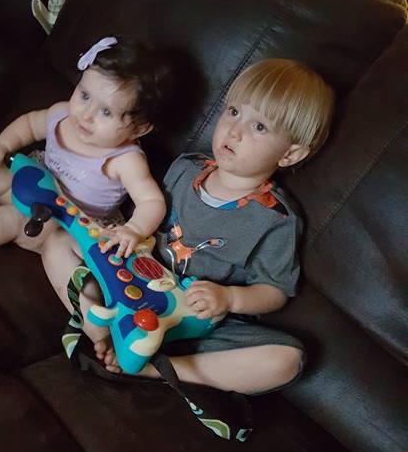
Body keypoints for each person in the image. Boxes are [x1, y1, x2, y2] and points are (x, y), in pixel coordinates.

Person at [0, 36, 172, 345]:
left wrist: (134, 229)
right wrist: (1, 146)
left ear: (140, 129)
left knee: (16, 221)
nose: (86, 114)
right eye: (84, 95)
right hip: (30, 181)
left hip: (61, 222)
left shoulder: (125, 160)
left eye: (106, 112)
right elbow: (29, 125)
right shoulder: (63, 115)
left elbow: (152, 200)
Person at [94, 57, 335, 396]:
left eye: (259, 127)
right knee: (69, 243)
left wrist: (229, 298)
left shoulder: (276, 220)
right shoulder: (185, 168)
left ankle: (156, 369)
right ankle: (108, 333)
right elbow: (143, 222)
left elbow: (274, 291)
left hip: (201, 324)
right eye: (233, 111)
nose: (234, 130)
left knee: (286, 360)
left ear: (290, 155)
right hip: (137, 289)